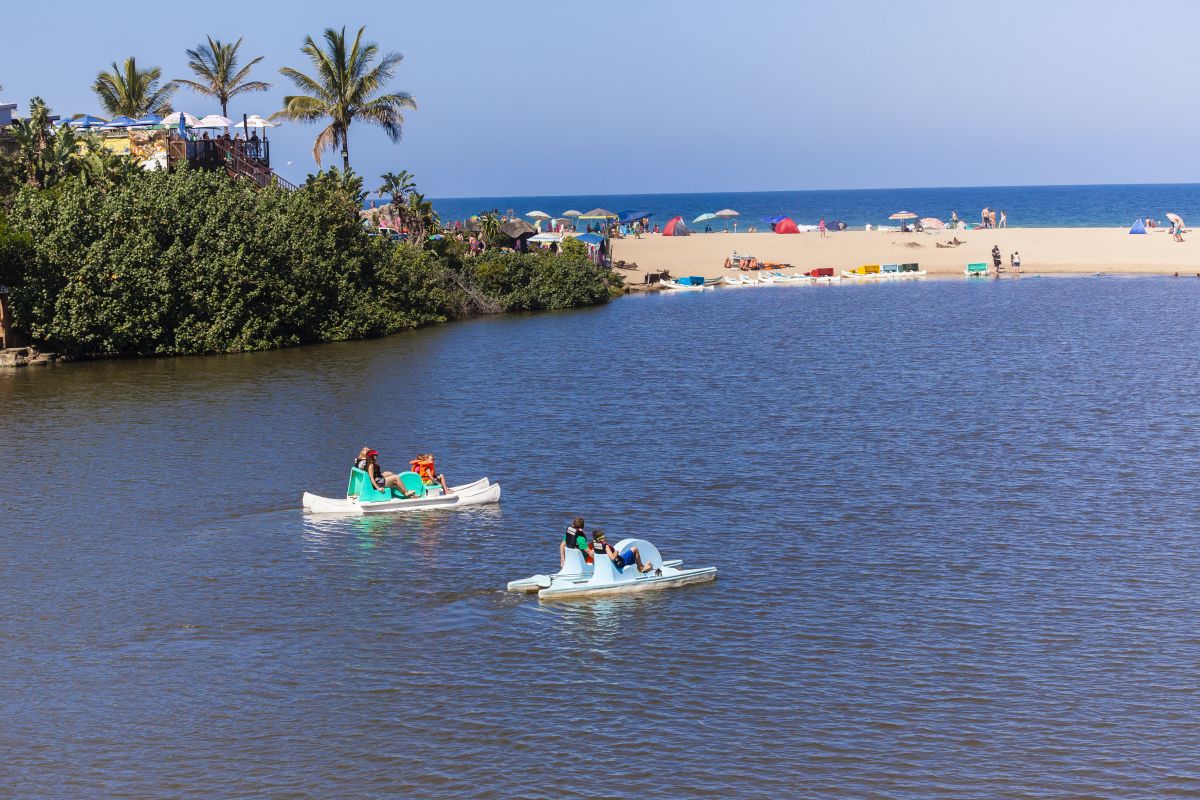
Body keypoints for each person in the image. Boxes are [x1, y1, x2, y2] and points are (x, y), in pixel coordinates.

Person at [592, 530, 657, 574]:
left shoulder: (595, 545)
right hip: (619, 563)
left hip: (613, 563)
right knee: (635, 549)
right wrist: (616, 552)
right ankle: (641, 568)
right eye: (603, 537)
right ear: (599, 539)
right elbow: (612, 558)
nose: (605, 538)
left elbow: (593, 554)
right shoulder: (606, 547)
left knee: (630, 552)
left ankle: (640, 567)